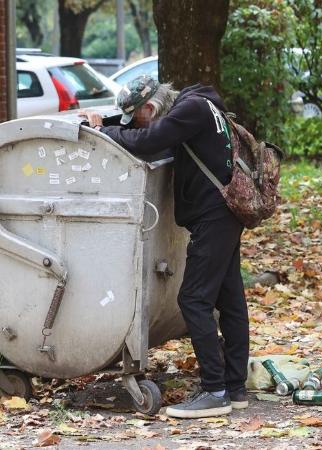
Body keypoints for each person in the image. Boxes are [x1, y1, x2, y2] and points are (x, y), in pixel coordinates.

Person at [80, 75, 249, 419]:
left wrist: (104, 133)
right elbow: (151, 133)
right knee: (229, 298)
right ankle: (235, 386)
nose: (135, 124)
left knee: (193, 298)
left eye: (135, 117)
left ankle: (215, 391)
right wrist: (105, 123)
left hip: (214, 215)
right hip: (225, 212)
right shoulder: (198, 104)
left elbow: (148, 141)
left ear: (150, 107)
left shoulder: (189, 110)